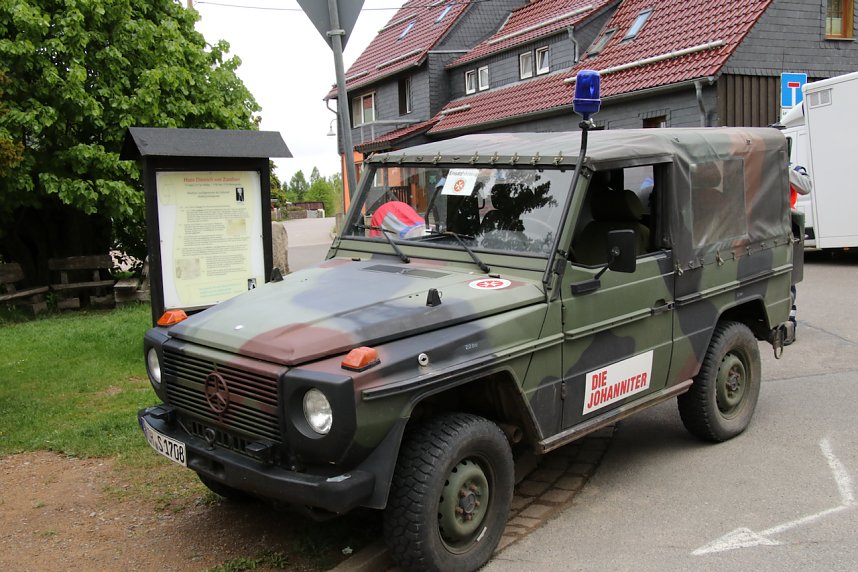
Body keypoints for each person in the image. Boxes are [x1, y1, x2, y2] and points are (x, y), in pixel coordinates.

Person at [785, 162, 812, 345]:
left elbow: (806, 187)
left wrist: (783, 169)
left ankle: (789, 324)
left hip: (786, 228)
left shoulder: (793, 168)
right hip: (761, 229)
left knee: (788, 279)